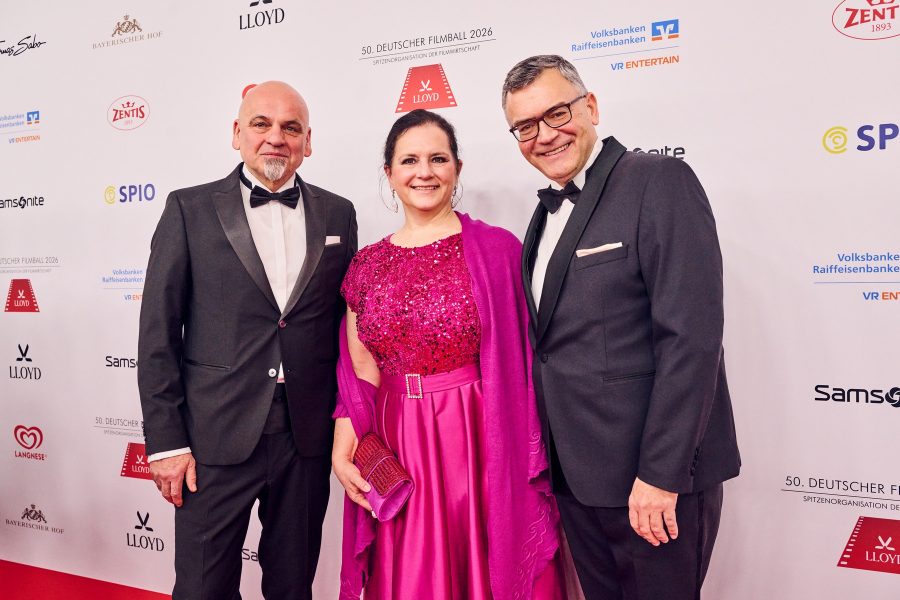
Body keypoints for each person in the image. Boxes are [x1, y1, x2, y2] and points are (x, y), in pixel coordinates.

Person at [501, 55, 741, 600]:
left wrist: (661, 475)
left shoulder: (658, 180)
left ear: (591, 107)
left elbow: (692, 340)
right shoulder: (542, 216)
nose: (544, 135)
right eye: (525, 127)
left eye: (556, 113)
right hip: (578, 479)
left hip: (651, 481)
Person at [331, 109, 565, 599]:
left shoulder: (497, 251)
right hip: (396, 439)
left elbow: (526, 360)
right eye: (410, 160)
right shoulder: (366, 264)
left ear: (456, 168)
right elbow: (361, 366)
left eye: (438, 159)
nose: (425, 171)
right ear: (389, 172)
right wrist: (343, 442)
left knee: (481, 561)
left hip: (477, 435)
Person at [137, 81, 357, 600]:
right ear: (237, 133)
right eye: (261, 124)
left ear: (308, 141)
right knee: (202, 588)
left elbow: (344, 325)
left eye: (290, 127)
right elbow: (157, 334)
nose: (275, 137)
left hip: (305, 434)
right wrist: (166, 443)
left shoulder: (339, 213)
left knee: (291, 584)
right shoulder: (188, 209)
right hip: (213, 435)